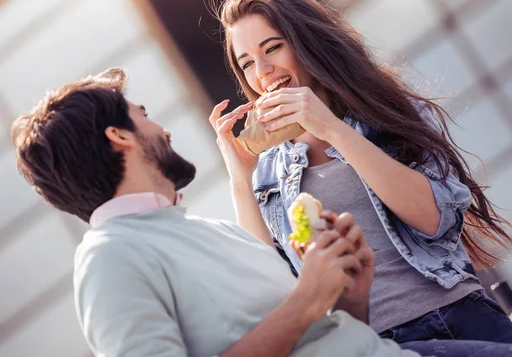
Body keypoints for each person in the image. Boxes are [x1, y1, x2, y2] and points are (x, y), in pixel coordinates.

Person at [210, 0, 512, 356]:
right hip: (371, 348)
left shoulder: (384, 111)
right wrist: (240, 177)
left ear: (305, 42)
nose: (263, 71)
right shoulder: (267, 168)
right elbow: (273, 286)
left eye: (272, 48)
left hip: (458, 319)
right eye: (247, 63)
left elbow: (434, 220)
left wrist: (333, 129)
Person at [11, 68, 413, 357]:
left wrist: (348, 294)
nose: (164, 131)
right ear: (119, 136)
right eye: (145, 115)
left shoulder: (219, 231)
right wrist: (307, 298)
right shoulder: (108, 258)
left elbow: (321, 339)